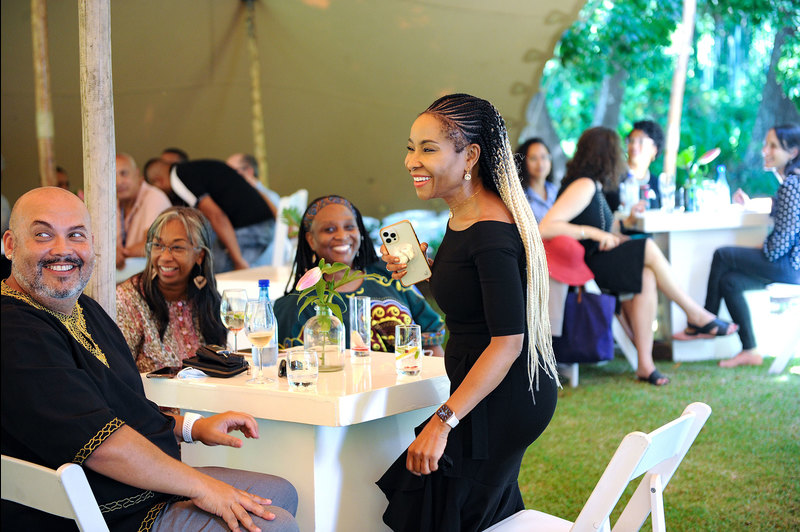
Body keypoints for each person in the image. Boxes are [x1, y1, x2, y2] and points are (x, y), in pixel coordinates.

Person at [1, 187, 298, 531]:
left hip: (138, 489)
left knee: (280, 494)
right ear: (10, 244)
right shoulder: (14, 328)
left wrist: (193, 427)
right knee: (275, 524)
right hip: (95, 513)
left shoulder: (84, 309)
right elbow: (101, 444)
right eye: (43, 235)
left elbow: (122, 407)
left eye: (76, 235)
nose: (63, 249)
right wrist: (201, 486)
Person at [376, 94, 558, 531]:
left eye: (428, 149)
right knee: (466, 510)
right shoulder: (463, 218)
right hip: (487, 390)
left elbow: (508, 342)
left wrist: (442, 422)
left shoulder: (490, 232)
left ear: (470, 155)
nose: (411, 161)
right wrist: (421, 273)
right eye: (411, 147)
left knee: (439, 508)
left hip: (505, 396)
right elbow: (470, 307)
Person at [540, 126, 737, 386]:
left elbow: (600, 227)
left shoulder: (594, 186)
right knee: (647, 248)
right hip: (586, 267)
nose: (623, 155)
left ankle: (646, 364)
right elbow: (546, 226)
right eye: (618, 149)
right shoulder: (583, 185)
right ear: (606, 154)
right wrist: (594, 234)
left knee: (646, 275)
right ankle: (695, 314)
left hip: (598, 260)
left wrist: (621, 226)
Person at [274, 195, 445, 355]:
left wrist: (444, 384)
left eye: (349, 227)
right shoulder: (296, 305)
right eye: (329, 229)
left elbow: (431, 339)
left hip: (409, 382)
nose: (342, 236)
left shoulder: (389, 275)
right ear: (311, 239)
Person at [696, 124, 800, 367]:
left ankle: (704, 321)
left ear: (793, 152)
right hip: (792, 265)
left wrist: (760, 248)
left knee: (723, 255)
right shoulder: (791, 183)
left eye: (773, 146)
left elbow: (779, 245)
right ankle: (750, 350)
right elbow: (784, 212)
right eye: (766, 144)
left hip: (792, 266)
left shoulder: (792, 185)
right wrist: (752, 203)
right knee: (729, 281)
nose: (765, 150)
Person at [116, 207, 228, 373]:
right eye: (158, 245)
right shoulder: (128, 301)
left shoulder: (206, 299)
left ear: (200, 256)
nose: (165, 257)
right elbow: (119, 375)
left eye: (177, 248)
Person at [145, 159, 275, 272]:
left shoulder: (179, 179)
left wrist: (238, 260)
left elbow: (216, 216)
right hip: (262, 224)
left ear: (158, 182)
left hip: (253, 228)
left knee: (213, 269)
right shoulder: (194, 169)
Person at [116, 153, 171, 272]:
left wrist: (118, 254)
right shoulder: (111, 203)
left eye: (123, 174)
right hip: (123, 277)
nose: (118, 182)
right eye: (112, 176)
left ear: (137, 174)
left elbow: (152, 244)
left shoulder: (154, 197)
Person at [607, 120, 665, 213]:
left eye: (641, 141)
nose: (634, 146)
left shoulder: (658, 185)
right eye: (631, 141)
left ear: (655, 149)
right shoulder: (611, 178)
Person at [516, 137, 558, 223]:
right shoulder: (519, 196)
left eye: (544, 157)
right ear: (523, 162)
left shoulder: (555, 190)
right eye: (533, 158)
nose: (540, 163)